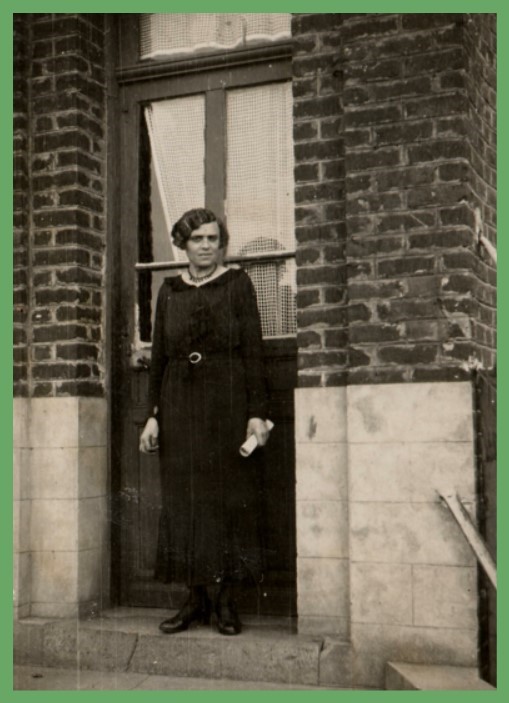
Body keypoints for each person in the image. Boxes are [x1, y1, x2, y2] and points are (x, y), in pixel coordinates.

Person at [139, 207, 270, 636]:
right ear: (183, 244)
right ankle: (194, 599)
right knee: (184, 500)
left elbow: (253, 351)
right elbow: (160, 357)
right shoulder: (169, 291)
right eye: (198, 239)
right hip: (178, 402)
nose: (207, 246)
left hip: (227, 401)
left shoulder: (237, 284)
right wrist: (153, 416)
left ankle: (226, 602)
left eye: (213, 238)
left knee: (228, 498)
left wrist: (256, 412)